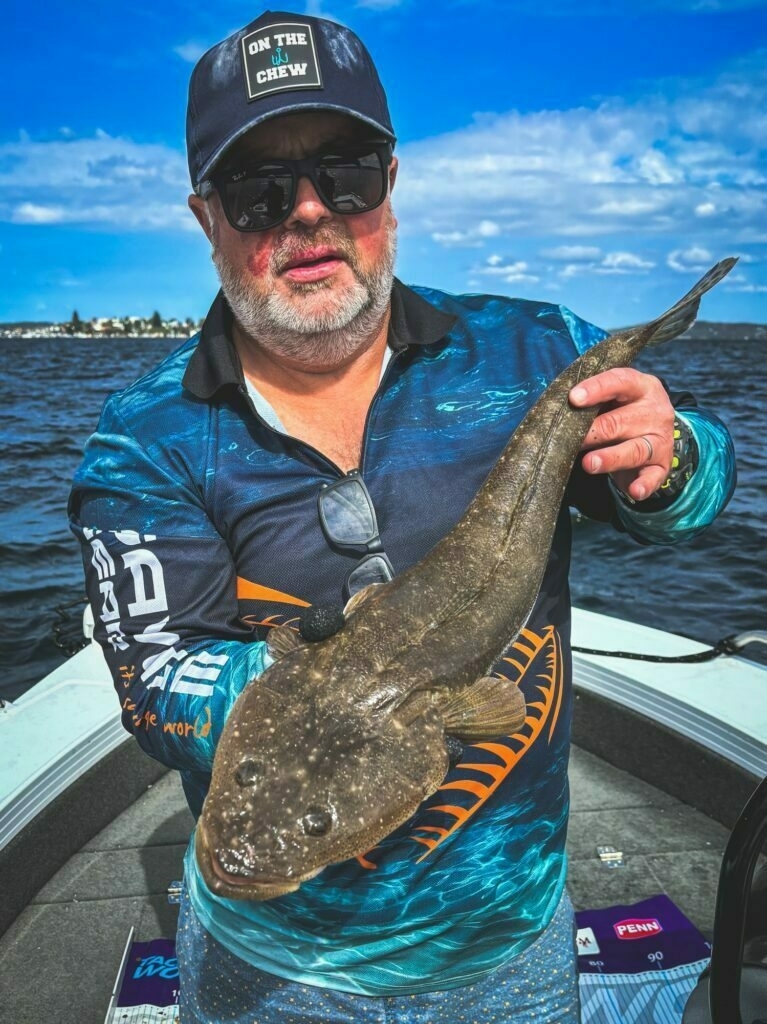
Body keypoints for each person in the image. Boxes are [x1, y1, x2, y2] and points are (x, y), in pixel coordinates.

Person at [69, 10, 736, 1023]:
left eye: (344, 173)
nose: (305, 213)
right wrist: (354, 680)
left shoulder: (532, 354)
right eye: (256, 191)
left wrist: (675, 456)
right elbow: (157, 680)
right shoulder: (146, 438)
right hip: (274, 971)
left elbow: (687, 507)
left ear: (391, 186)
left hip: (503, 942)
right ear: (205, 218)